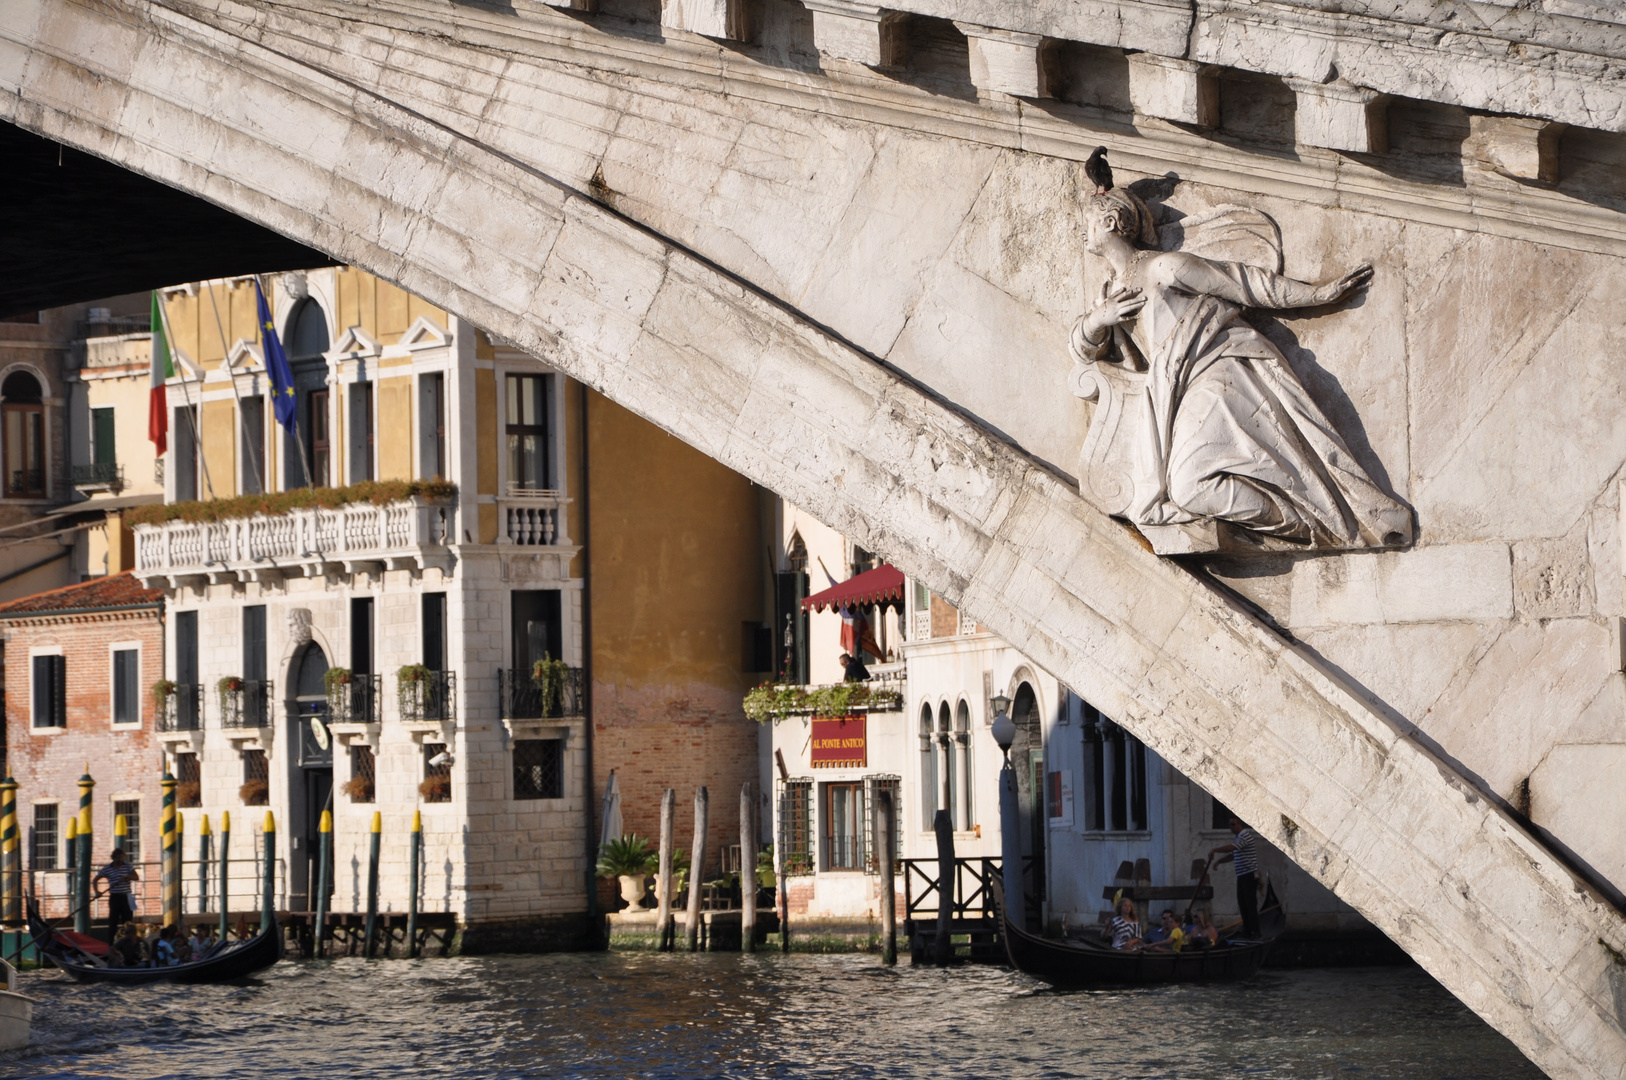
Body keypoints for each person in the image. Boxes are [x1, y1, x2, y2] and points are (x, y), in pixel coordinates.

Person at [1070, 182, 1409, 548]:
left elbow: (1242, 283)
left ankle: (1315, 524)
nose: (1081, 232)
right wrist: (1097, 320)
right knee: (1187, 489)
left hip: (1215, 369)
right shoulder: (1109, 293)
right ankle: (1304, 523)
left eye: (1086, 222)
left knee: (1188, 485)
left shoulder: (1162, 267)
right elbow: (1083, 350)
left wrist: (1316, 294)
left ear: (1109, 221)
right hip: (1172, 389)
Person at [1210, 816, 1261, 938]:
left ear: (1240, 824)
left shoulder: (1244, 835)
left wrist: (1215, 849)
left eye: (1232, 824)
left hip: (1249, 875)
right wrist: (1219, 862)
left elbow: (1232, 848)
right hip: (1242, 876)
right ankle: (1248, 930)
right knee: (1243, 903)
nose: (1230, 827)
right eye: (1229, 825)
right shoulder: (1238, 838)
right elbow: (1233, 855)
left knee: (1249, 904)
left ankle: (1255, 931)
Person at [92, 848, 139, 943]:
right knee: (113, 921)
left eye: (121, 858)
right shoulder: (108, 868)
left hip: (126, 897)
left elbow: (136, 877)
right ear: (114, 858)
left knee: (127, 921)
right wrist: (97, 892)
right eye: (118, 858)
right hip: (115, 897)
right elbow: (95, 880)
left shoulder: (128, 866)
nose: (120, 860)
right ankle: (111, 943)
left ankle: (129, 942)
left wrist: (126, 876)